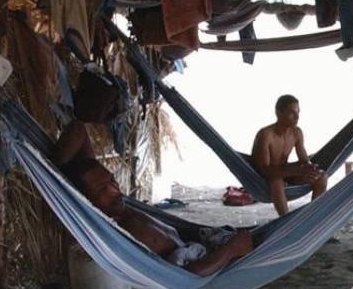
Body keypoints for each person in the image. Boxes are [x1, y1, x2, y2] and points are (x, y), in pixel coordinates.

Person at [63, 158, 252, 276]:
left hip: (201, 248)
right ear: (84, 200)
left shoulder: (123, 210)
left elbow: (80, 131)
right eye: (103, 189)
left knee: (255, 238)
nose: (115, 190)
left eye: (112, 180)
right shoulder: (118, 234)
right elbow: (185, 278)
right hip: (202, 268)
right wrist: (231, 249)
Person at [251, 94, 326, 216]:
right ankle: (286, 222)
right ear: (279, 113)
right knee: (276, 180)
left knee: (322, 176)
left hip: (286, 173)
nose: (297, 117)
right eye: (292, 113)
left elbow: (304, 160)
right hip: (266, 178)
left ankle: (314, 216)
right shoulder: (266, 135)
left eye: (298, 113)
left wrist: (310, 169)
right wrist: (298, 171)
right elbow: (264, 170)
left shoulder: (296, 133)